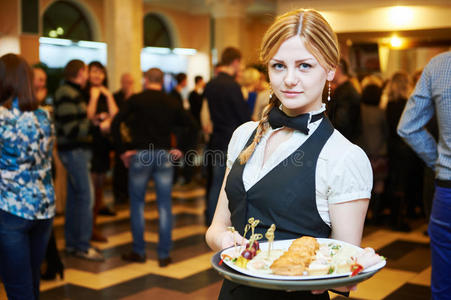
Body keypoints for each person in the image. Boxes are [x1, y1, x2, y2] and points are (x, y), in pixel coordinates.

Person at [205, 9, 372, 299]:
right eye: (279, 66)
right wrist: (225, 239)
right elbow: (216, 227)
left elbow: (343, 278)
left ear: (331, 69)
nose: (289, 79)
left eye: (305, 66)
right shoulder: (244, 134)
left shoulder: (344, 157)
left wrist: (351, 267)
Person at [111, 68, 197, 267]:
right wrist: (181, 149)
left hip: (140, 155)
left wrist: (122, 150)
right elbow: (192, 125)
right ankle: (164, 255)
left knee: (137, 204)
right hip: (164, 155)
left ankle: (139, 251)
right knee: (165, 206)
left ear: (145, 79)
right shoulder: (171, 101)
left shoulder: (136, 99)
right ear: (161, 80)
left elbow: (116, 123)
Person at [0, 53, 55, 299]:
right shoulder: (44, 115)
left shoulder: (2, 118)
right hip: (43, 209)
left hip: (10, 209)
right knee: (31, 283)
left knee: (18, 289)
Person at [397, 51, 451, 300]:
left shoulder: (439, 65)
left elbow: (408, 127)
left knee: (443, 284)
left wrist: (439, 163)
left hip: (447, 188)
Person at [54, 59, 104, 261]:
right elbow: (71, 129)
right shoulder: (67, 93)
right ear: (80, 72)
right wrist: (95, 127)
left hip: (76, 151)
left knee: (76, 199)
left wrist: (92, 121)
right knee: (86, 197)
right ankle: (82, 246)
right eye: (86, 72)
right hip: (74, 151)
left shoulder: (71, 92)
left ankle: (73, 244)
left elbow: (76, 122)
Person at [203, 47, 251, 226]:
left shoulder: (211, 84)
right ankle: (231, 223)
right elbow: (243, 116)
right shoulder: (233, 86)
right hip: (233, 141)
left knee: (216, 184)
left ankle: (211, 221)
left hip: (216, 139)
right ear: (236, 62)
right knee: (234, 185)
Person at [385, 71, 423, 231]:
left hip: (393, 148)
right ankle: (400, 220)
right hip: (405, 149)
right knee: (404, 184)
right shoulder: (407, 105)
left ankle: (395, 217)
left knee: (395, 183)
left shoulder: (389, 104)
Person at [86, 61, 118, 240]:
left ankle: (93, 225)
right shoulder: (86, 92)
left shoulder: (106, 93)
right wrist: (94, 97)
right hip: (90, 144)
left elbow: (116, 114)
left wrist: (107, 96)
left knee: (99, 188)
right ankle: (88, 228)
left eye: (100, 72)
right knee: (89, 189)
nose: (97, 75)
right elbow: (88, 116)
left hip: (103, 145)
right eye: (94, 72)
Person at [359, 84, 388, 224]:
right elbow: (386, 133)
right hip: (380, 153)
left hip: (363, 152)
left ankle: (364, 216)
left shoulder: (360, 111)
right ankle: (375, 215)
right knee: (379, 184)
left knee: (363, 185)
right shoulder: (381, 112)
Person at [112, 73, 135, 205]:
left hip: (132, 138)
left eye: (130, 82)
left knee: (132, 167)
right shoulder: (116, 97)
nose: (128, 85)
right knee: (119, 166)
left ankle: (128, 193)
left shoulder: (135, 98)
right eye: (126, 82)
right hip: (120, 138)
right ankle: (119, 194)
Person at [327, 58, 361, 144]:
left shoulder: (346, 92)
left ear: (338, 69)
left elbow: (341, 124)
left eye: (330, 68)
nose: (327, 72)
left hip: (342, 142)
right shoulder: (344, 89)